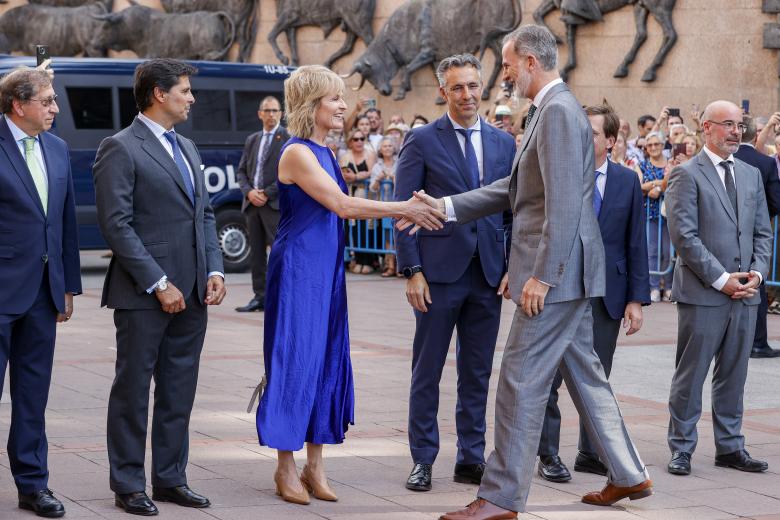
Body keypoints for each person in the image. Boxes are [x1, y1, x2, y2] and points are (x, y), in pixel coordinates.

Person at [404, 25, 651, 520]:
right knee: (587, 376)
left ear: (532, 62)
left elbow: (561, 204)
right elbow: (513, 190)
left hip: (555, 277)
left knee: (517, 381)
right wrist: (446, 206)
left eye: (509, 63)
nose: (506, 72)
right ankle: (627, 473)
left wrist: (543, 275)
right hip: (571, 273)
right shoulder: (551, 110)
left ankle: (498, 498)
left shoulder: (557, 113)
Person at [255, 64, 445, 506]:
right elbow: (341, 205)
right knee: (295, 358)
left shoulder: (326, 151)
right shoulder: (296, 152)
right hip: (299, 269)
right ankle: (285, 466)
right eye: (334, 98)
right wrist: (406, 208)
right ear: (311, 104)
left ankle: (315, 466)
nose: (344, 106)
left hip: (326, 269)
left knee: (326, 360)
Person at [93, 59, 226, 516]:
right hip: (144, 294)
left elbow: (204, 214)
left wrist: (215, 270)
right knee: (132, 391)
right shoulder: (120, 147)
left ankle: (170, 479)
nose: (191, 98)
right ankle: (128, 484)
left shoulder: (187, 146)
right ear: (158, 94)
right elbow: (116, 225)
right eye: (185, 91)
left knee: (179, 389)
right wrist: (158, 282)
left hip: (193, 290)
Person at [394, 53, 515, 493]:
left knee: (477, 372)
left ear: (482, 88)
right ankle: (423, 459)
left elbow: (511, 211)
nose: (466, 95)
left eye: (472, 86)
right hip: (438, 274)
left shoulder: (505, 144)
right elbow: (405, 209)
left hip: (487, 274)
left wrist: (512, 267)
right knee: (427, 371)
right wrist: (412, 270)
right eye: (457, 87)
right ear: (443, 92)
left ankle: (470, 458)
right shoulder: (422, 139)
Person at [537, 103, 650, 484]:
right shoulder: (557, 175)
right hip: (560, 291)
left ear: (612, 141)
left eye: (592, 133)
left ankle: (590, 452)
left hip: (608, 296)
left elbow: (636, 243)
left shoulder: (627, 181)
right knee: (548, 378)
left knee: (596, 379)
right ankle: (548, 454)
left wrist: (636, 299)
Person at [665, 100, 773, 477]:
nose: (736, 132)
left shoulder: (750, 174)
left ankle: (730, 447)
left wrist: (757, 275)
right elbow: (685, 237)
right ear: (707, 128)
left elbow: (762, 232)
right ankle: (681, 448)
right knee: (690, 375)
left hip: (746, 295)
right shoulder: (686, 174)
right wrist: (721, 280)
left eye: (739, 125)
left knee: (734, 373)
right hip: (704, 294)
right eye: (727, 125)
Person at [0, 66, 81, 519]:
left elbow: (64, 222)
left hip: (41, 296)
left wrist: (67, 285)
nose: (55, 108)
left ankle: (33, 486)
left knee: (33, 398)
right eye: (48, 100)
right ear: (18, 104)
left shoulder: (57, 147)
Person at [235, 96, 290, 312]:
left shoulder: (287, 138)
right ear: (260, 114)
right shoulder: (252, 139)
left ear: (281, 114)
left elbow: (288, 174)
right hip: (252, 205)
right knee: (256, 255)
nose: (271, 115)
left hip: (273, 205)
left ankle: (280, 297)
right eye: (267, 110)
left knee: (278, 253)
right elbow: (241, 171)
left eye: (275, 111)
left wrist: (266, 193)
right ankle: (260, 297)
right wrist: (249, 192)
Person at [734, 115, 780, 358]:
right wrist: (760, 218)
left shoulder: (726, 158)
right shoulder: (766, 163)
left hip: (724, 233)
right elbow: (776, 202)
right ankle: (757, 342)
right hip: (754, 235)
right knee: (756, 284)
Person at [639, 131, 672, 302]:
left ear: (662, 145)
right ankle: (653, 287)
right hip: (649, 214)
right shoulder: (642, 165)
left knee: (668, 252)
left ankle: (667, 287)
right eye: (650, 145)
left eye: (656, 144)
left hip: (669, 215)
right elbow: (639, 185)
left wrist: (657, 187)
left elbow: (673, 181)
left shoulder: (670, 163)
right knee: (652, 252)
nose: (653, 147)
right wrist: (658, 184)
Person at [341, 128, 377, 274]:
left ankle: (368, 262)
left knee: (368, 229)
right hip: (351, 196)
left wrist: (355, 177)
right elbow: (342, 172)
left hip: (367, 196)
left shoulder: (370, 154)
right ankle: (358, 259)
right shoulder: (345, 156)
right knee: (354, 230)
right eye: (356, 139)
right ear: (350, 142)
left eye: (362, 138)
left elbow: (371, 172)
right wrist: (355, 176)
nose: (359, 142)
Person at [369, 137, 399, 277]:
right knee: (388, 237)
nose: (387, 148)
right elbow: (372, 189)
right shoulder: (377, 166)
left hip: (400, 205)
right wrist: (378, 179)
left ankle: (400, 267)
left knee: (400, 236)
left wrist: (394, 179)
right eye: (384, 146)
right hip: (385, 206)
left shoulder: (400, 164)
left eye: (389, 146)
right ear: (380, 149)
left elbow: (405, 184)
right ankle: (390, 266)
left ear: (394, 148)